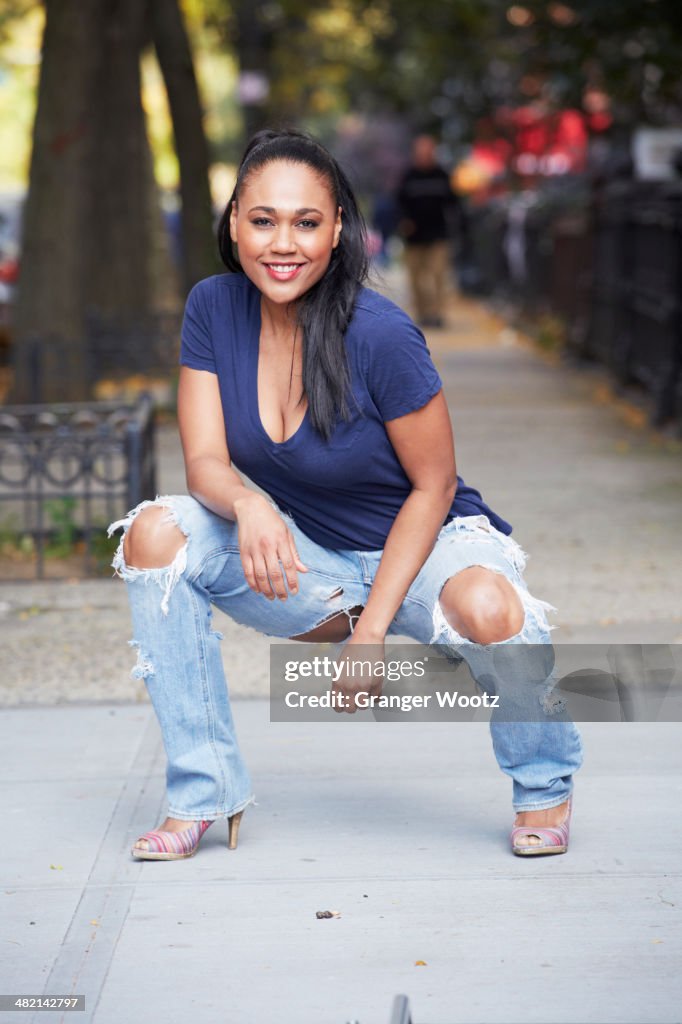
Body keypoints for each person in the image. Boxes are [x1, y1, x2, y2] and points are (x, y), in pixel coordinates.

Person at [108, 128, 582, 862]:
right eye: (263, 220)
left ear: (337, 231)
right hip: (311, 559)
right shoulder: (212, 307)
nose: (281, 243)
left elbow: (436, 485)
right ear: (234, 222)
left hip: (426, 549)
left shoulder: (382, 333)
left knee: (493, 611)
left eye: (305, 222)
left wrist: (370, 638)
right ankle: (203, 793)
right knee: (154, 536)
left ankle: (544, 781)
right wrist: (253, 504)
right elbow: (204, 460)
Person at [396, 134, 461, 328]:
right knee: (416, 278)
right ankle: (423, 313)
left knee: (438, 275)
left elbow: (453, 204)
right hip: (413, 237)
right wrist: (403, 221)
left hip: (438, 234)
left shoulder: (442, 175)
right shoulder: (408, 176)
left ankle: (437, 314)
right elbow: (398, 204)